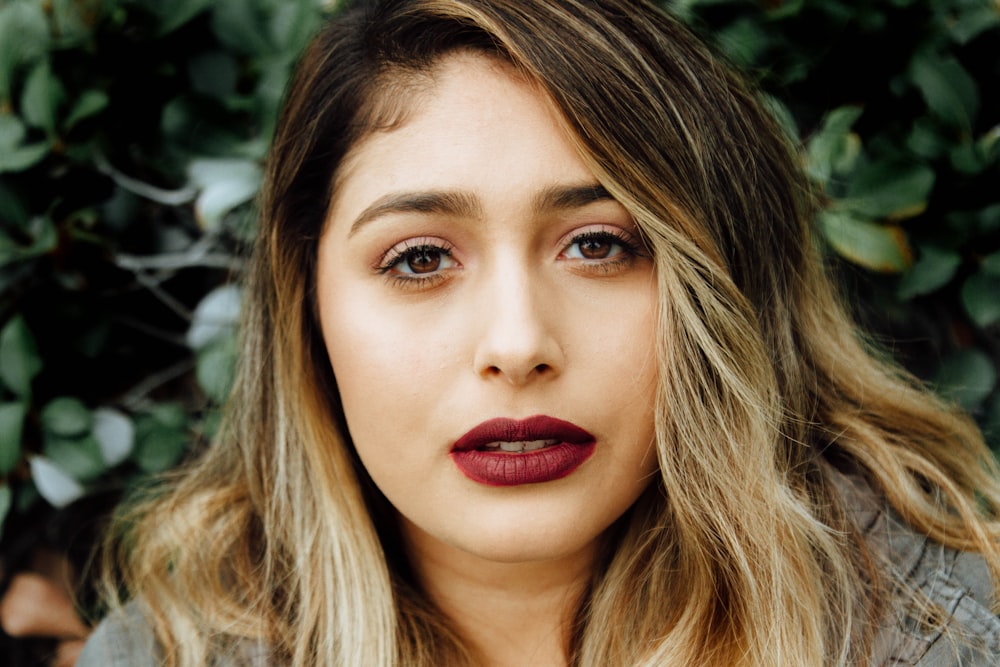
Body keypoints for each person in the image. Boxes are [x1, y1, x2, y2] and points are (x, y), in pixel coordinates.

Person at [77, 0, 1000, 665]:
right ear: (307, 309)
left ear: (723, 288)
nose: (518, 345)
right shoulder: (164, 652)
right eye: (419, 259)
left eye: (600, 244)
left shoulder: (942, 634)